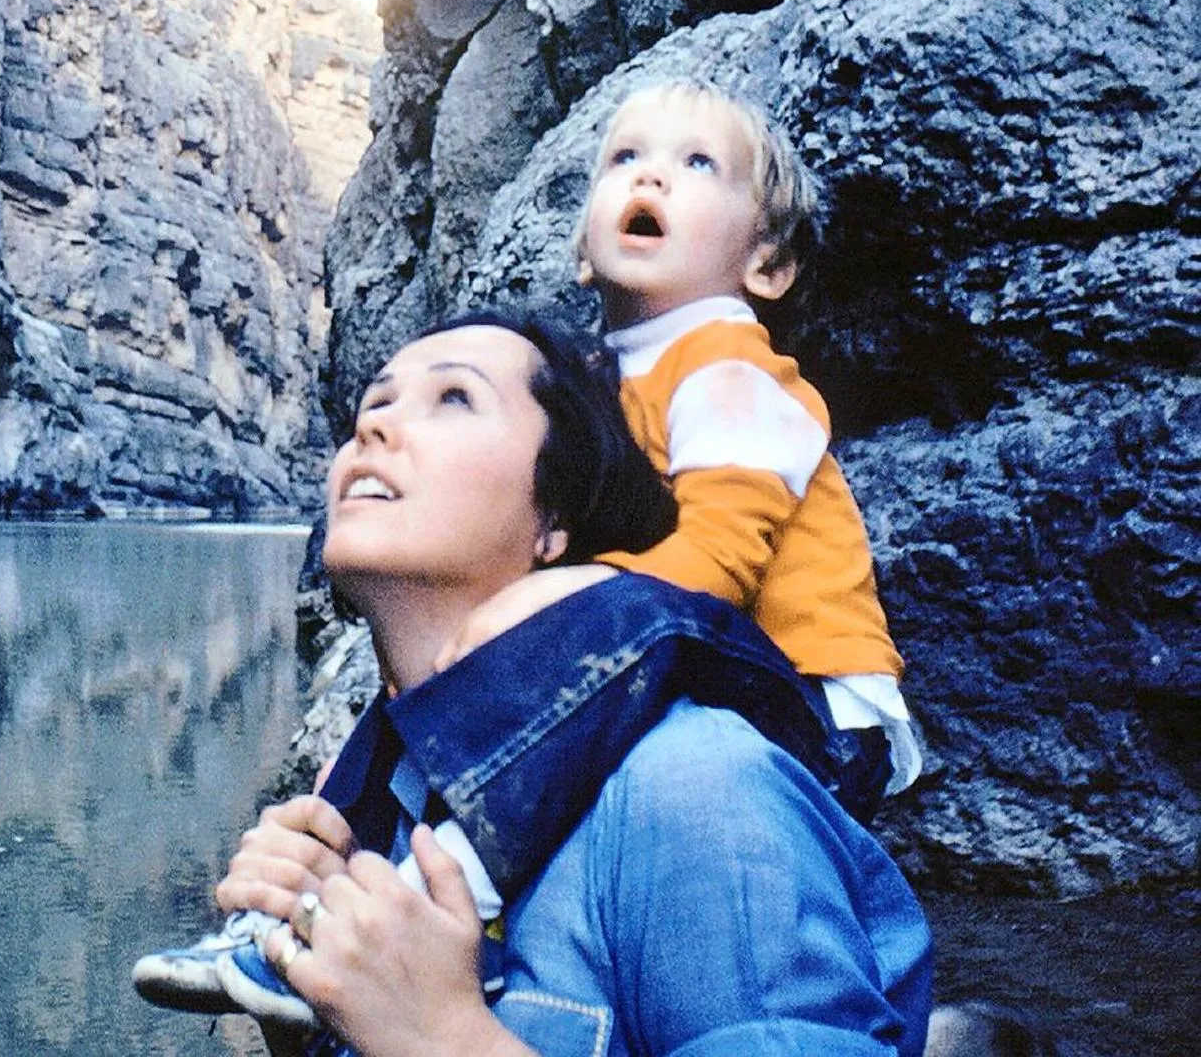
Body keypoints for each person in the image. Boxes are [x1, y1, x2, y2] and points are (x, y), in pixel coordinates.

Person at [141, 306, 933, 1053]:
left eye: (454, 398)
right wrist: (311, 986)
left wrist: (448, 1041)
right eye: (370, 406)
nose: (372, 427)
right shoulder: (376, 804)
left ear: (554, 520)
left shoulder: (694, 789)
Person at [444, 80, 920, 811]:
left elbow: (714, 569)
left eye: (698, 163)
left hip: (815, 708)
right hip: (688, 670)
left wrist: (549, 602)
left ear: (767, 264)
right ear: (581, 250)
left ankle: (459, 877)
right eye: (624, 156)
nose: (650, 173)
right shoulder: (593, 386)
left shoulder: (730, 372)